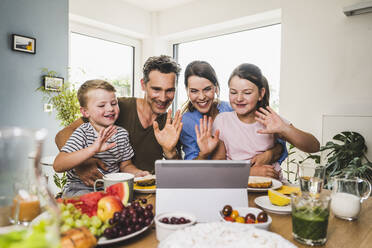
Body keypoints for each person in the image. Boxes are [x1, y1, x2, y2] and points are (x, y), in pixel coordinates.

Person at [55, 55, 182, 187]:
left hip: (138, 191)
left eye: (170, 90)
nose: (163, 98)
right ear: (143, 85)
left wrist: (170, 152)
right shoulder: (114, 109)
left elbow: (178, 175)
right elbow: (63, 134)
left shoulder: (171, 125)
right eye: (156, 89)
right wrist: (82, 163)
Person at [197, 63, 320, 180]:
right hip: (239, 186)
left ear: (261, 94)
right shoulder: (222, 121)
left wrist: (285, 129)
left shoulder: (271, 120)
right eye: (233, 92)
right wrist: (249, 173)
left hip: (273, 188)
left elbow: (314, 146)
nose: (239, 98)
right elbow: (219, 166)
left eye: (247, 93)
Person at [179, 61, 287, 178]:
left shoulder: (234, 108)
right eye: (194, 91)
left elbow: (276, 142)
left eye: (207, 89)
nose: (201, 97)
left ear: (216, 88)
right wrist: (203, 154)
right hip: (216, 179)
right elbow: (191, 171)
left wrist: (269, 154)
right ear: (187, 90)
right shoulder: (186, 122)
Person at [53, 80, 149, 196]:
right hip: (80, 188)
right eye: (101, 105)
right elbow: (58, 165)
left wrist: (138, 173)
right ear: (85, 112)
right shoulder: (82, 132)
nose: (110, 109)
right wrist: (92, 149)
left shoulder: (122, 134)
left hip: (111, 188)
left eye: (114, 103)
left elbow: (125, 165)